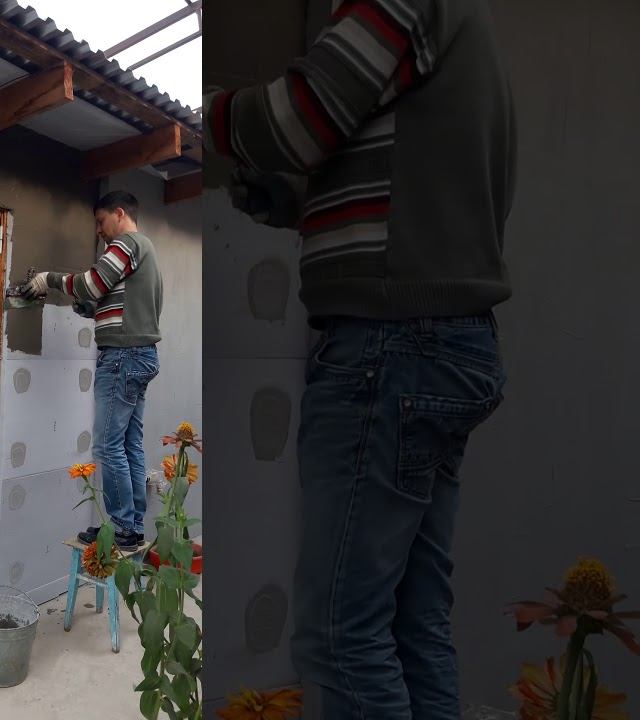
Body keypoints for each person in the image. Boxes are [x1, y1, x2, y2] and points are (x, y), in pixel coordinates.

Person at [206, 0, 515, 718]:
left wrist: (206, 112)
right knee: (412, 625)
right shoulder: (463, 28)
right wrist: (299, 202)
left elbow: (298, 118)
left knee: (340, 637)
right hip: (435, 347)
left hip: (390, 348)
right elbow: (405, 177)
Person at [19, 191, 164, 550]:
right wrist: (87, 307)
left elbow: (92, 284)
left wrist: (50, 279)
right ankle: (132, 526)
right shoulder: (145, 251)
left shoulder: (127, 244)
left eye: (101, 221)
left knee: (107, 444)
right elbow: (110, 300)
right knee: (128, 443)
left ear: (119, 214)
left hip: (122, 357)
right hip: (139, 356)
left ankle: (121, 527)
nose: (98, 230)